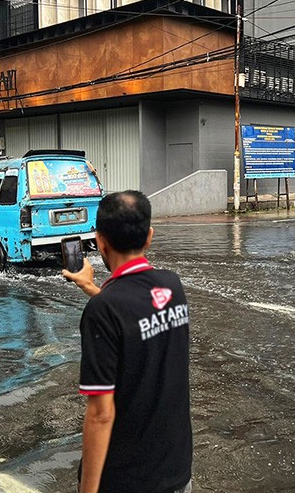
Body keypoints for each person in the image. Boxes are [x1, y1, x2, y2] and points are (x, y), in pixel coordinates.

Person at [63, 191, 192, 493]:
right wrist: (93, 289)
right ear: (149, 237)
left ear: (100, 242)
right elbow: (134, 315)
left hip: (127, 481)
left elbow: (100, 414)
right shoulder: (172, 286)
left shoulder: (103, 311)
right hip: (177, 472)